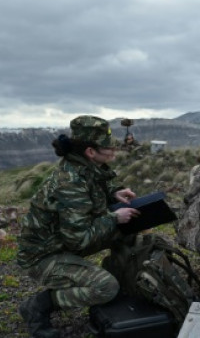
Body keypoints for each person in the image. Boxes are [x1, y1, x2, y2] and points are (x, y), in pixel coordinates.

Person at [16, 115, 140, 338]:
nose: (113, 150)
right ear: (90, 151)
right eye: (108, 147)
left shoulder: (88, 166)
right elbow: (79, 239)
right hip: (43, 256)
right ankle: (38, 306)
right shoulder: (70, 182)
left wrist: (114, 192)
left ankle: (123, 281)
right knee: (105, 288)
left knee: (129, 231)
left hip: (63, 242)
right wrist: (113, 218)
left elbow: (101, 182)